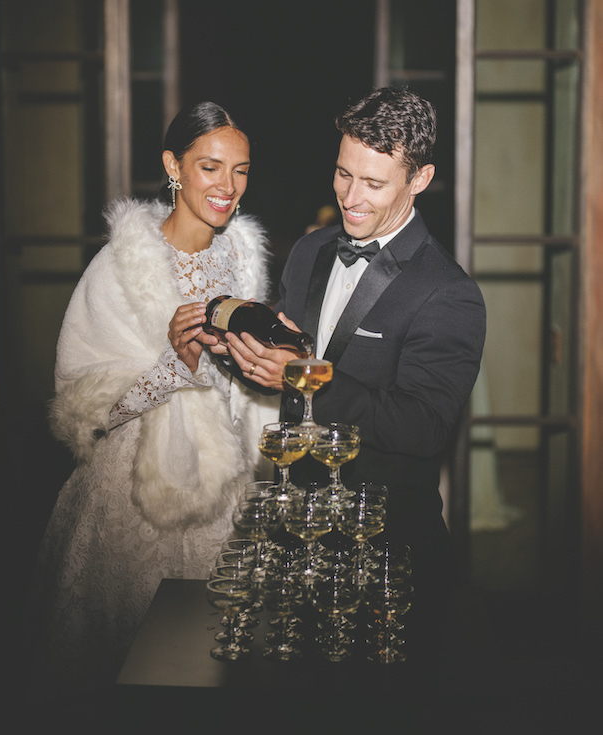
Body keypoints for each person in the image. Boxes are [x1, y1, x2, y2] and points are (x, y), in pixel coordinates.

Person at [223, 87, 486, 667]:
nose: (350, 196)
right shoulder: (312, 250)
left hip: (389, 553)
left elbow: (423, 428)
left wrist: (307, 376)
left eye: (373, 184)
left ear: (419, 179)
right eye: (343, 175)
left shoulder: (449, 293)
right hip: (296, 537)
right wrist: (247, 351)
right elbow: (288, 362)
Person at [24, 101, 279, 698]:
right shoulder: (120, 266)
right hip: (136, 495)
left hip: (232, 489)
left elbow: (247, 387)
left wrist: (269, 359)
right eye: (210, 167)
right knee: (137, 670)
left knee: (228, 669)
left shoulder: (242, 258)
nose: (227, 186)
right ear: (174, 165)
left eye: (240, 170)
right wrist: (172, 367)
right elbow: (80, 411)